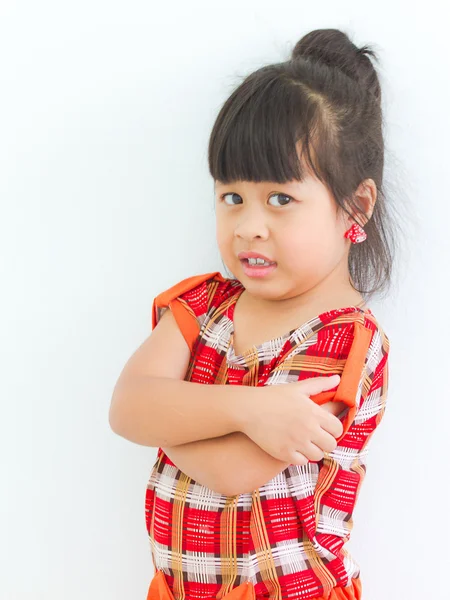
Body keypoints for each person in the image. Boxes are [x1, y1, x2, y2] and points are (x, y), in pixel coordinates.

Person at [109, 27, 396, 600]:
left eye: (281, 199)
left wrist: (166, 417)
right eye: (232, 196)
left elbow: (234, 471)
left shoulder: (347, 341)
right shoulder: (206, 303)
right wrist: (251, 407)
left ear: (355, 205)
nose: (248, 225)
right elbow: (126, 407)